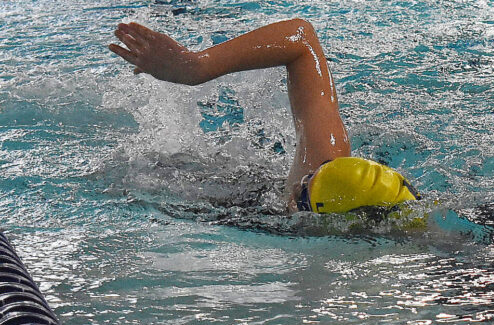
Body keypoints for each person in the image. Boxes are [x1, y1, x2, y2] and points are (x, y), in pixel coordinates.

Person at [109, 19, 420, 214]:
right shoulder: (331, 161)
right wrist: (195, 66)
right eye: (315, 172)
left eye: (306, 188)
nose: (301, 181)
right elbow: (301, 39)